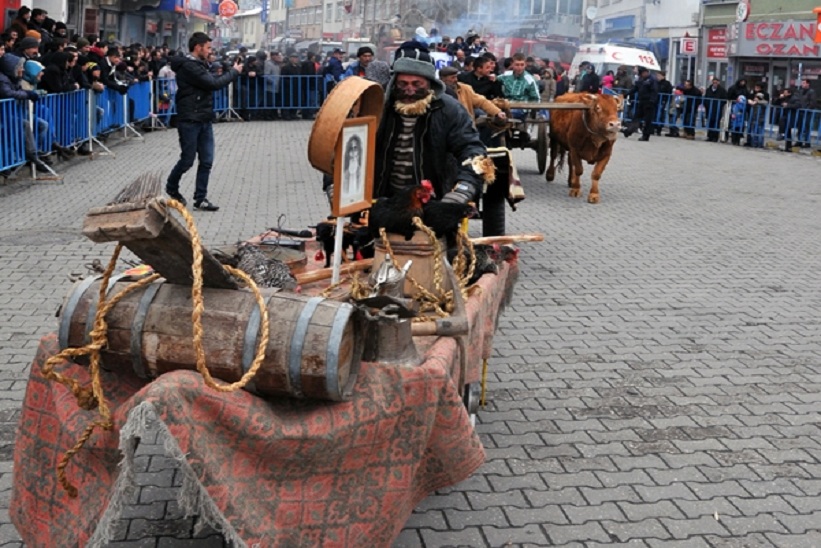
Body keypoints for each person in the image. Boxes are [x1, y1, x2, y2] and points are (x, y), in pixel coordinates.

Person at [373, 44, 496, 230]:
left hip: (434, 203)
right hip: (382, 202)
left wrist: (463, 190)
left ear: (430, 83)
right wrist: (334, 184)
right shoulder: (376, 106)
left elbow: (473, 150)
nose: (409, 90)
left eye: (417, 84)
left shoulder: (450, 109)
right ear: (393, 82)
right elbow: (343, 145)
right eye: (403, 84)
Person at [165, 32, 242, 211]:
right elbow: (212, 84)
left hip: (204, 118)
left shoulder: (200, 65)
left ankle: (200, 198)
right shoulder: (189, 67)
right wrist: (234, 72)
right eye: (208, 48)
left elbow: (211, 81)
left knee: (206, 160)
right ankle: (171, 186)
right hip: (190, 119)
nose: (210, 51)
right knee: (187, 160)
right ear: (198, 47)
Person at [498, 52, 540, 121]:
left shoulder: (530, 79)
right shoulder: (506, 75)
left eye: (522, 65)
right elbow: (495, 79)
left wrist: (530, 110)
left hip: (521, 109)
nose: (519, 67)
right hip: (505, 106)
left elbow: (536, 98)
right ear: (512, 64)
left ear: (525, 65)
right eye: (517, 65)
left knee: (504, 116)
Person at [623, 66, 657, 141]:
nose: (641, 75)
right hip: (642, 101)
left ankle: (646, 136)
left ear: (645, 72)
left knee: (648, 120)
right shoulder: (641, 79)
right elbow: (635, 88)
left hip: (649, 102)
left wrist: (652, 100)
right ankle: (629, 131)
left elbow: (654, 91)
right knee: (636, 117)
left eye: (641, 74)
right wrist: (627, 94)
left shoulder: (652, 80)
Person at [703, 77, 727, 142]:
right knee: (710, 122)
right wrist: (706, 105)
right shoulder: (708, 90)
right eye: (714, 82)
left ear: (718, 83)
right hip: (709, 108)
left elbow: (724, 99)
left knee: (716, 123)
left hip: (717, 109)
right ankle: (709, 136)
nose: (715, 84)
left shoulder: (722, 90)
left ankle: (715, 137)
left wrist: (720, 105)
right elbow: (705, 98)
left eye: (716, 82)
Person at [795, 79, 817, 148]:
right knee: (800, 126)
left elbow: (812, 102)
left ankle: (807, 142)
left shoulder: (811, 92)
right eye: (802, 83)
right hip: (800, 111)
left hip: (807, 112)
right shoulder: (800, 91)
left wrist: (807, 109)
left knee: (806, 127)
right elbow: (798, 99)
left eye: (804, 83)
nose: (802, 84)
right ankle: (799, 141)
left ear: (808, 84)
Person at [342, 134, 363, 204]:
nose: (353, 151)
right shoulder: (345, 170)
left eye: (355, 148)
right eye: (351, 148)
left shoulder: (361, 170)